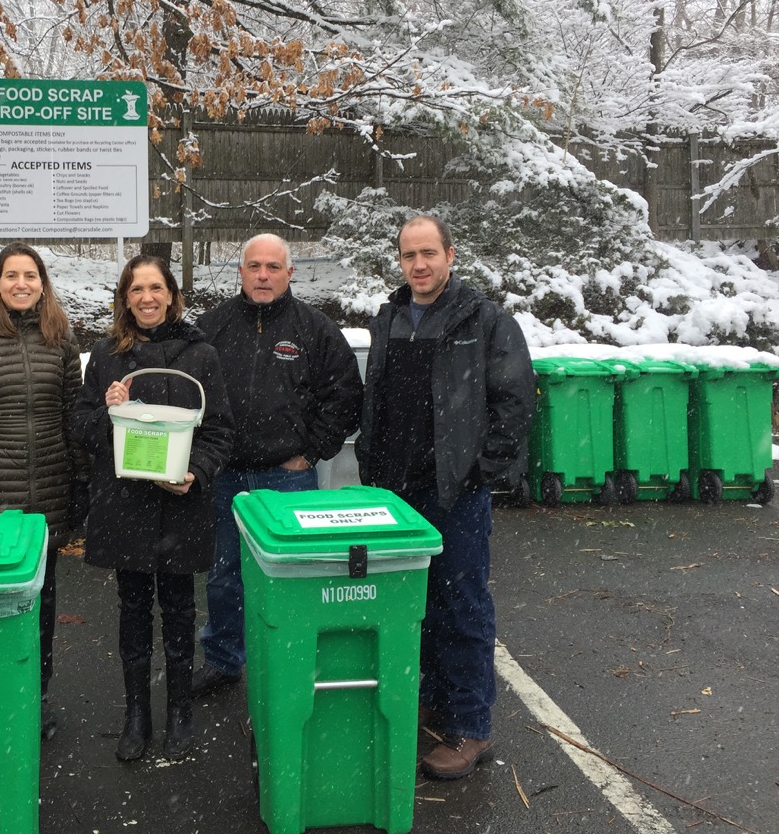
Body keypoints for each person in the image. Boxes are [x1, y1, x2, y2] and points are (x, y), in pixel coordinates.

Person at [356, 214, 533, 780]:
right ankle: (433, 696)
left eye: (429, 253)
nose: (419, 265)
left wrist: (481, 471)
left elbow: (515, 400)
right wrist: (370, 462)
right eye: (410, 255)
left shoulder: (483, 319)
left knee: (463, 606)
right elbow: (378, 396)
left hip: (454, 491)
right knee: (415, 604)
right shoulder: (391, 317)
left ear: (451, 255)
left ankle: (471, 726)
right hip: (396, 490)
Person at [70, 255, 234, 762]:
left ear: (171, 294)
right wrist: (108, 409)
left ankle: (180, 710)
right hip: (125, 507)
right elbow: (80, 428)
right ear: (125, 298)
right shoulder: (106, 356)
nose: (146, 297)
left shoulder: (200, 354)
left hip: (180, 506)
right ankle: (136, 713)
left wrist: (197, 472)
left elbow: (220, 432)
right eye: (136, 289)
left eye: (156, 288)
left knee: (181, 611)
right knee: (134, 611)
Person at [193, 233, 363, 697]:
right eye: (254, 266)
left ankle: (290, 655)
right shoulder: (212, 328)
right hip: (225, 476)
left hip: (287, 477)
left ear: (290, 272)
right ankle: (225, 659)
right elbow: (188, 392)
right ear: (241, 272)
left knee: (290, 574)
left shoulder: (315, 329)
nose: (263, 275)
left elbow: (345, 394)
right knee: (225, 574)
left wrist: (310, 452)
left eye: (273, 266)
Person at [0, 243, 85, 742]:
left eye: (31, 275)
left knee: (42, 601)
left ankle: (35, 695)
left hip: (49, 490)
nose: (22, 283)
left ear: (42, 283)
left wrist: (81, 487)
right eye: (12, 275)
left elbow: (74, 418)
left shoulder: (61, 341)